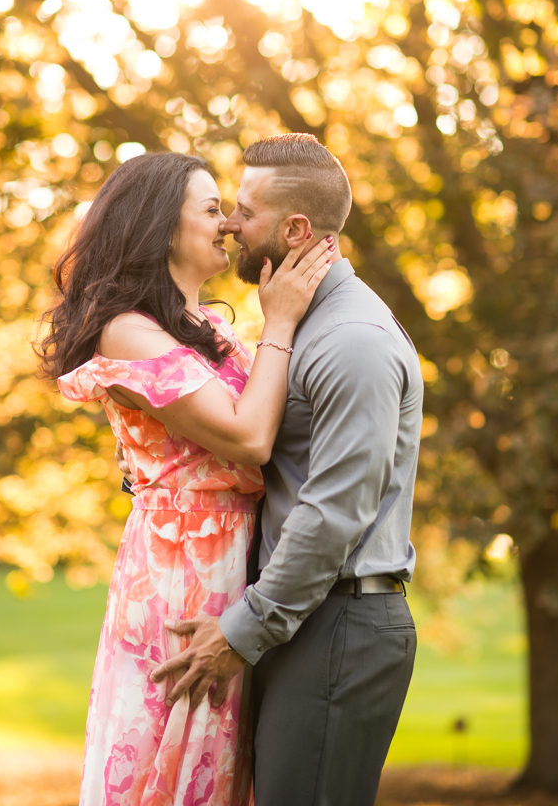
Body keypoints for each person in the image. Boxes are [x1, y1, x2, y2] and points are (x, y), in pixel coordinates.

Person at [38, 150, 333, 806]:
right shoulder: (127, 332)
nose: (229, 223)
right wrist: (281, 318)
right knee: (178, 757)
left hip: (235, 561)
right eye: (210, 209)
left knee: (221, 762)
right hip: (186, 572)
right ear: (159, 228)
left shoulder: (208, 330)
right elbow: (250, 437)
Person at [148, 133, 424, 806]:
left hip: (338, 625)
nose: (230, 224)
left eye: (243, 210)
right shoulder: (298, 323)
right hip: (306, 618)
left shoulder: (350, 340)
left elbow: (333, 513)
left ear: (296, 229)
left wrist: (241, 633)